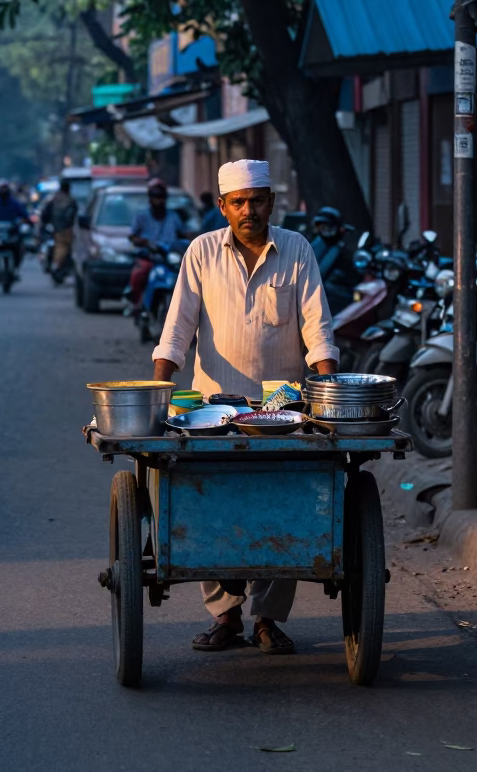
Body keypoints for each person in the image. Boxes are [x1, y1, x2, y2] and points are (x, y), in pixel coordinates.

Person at [152, 160, 339, 656]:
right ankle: (226, 616)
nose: (248, 210)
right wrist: (155, 393)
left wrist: (330, 390)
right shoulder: (201, 253)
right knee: (208, 503)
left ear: (271, 202)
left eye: (257, 200)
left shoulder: (297, 249)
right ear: (223, 207)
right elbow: (177, 329)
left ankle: (267, 620)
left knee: (284, 505)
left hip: (283, 408)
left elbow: (317, 326)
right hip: (214, 411)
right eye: (238, 202)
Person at [127, 179, 187, 311]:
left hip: (170, 259)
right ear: (150, 199)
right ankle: (136, 303)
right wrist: (144, 242)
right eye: (155, 197)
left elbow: (183, 234)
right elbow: (132, 236)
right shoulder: (141, 216)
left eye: (161, 197)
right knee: (139, 273)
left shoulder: (174, 217)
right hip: (149, 257)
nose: (159, 201)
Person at [0, 181, 30, 269]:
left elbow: (24, 215)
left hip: (12, 231)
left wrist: (27, 221)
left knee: (20, 244)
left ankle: (16, 262)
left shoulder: (14, 204)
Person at [40, 179, 78, 283]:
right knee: (64, 248)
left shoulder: (54, 199)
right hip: (64, 230)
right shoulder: (70, 200)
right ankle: (57, 265)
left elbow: (45, 214)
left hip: (57, 229)